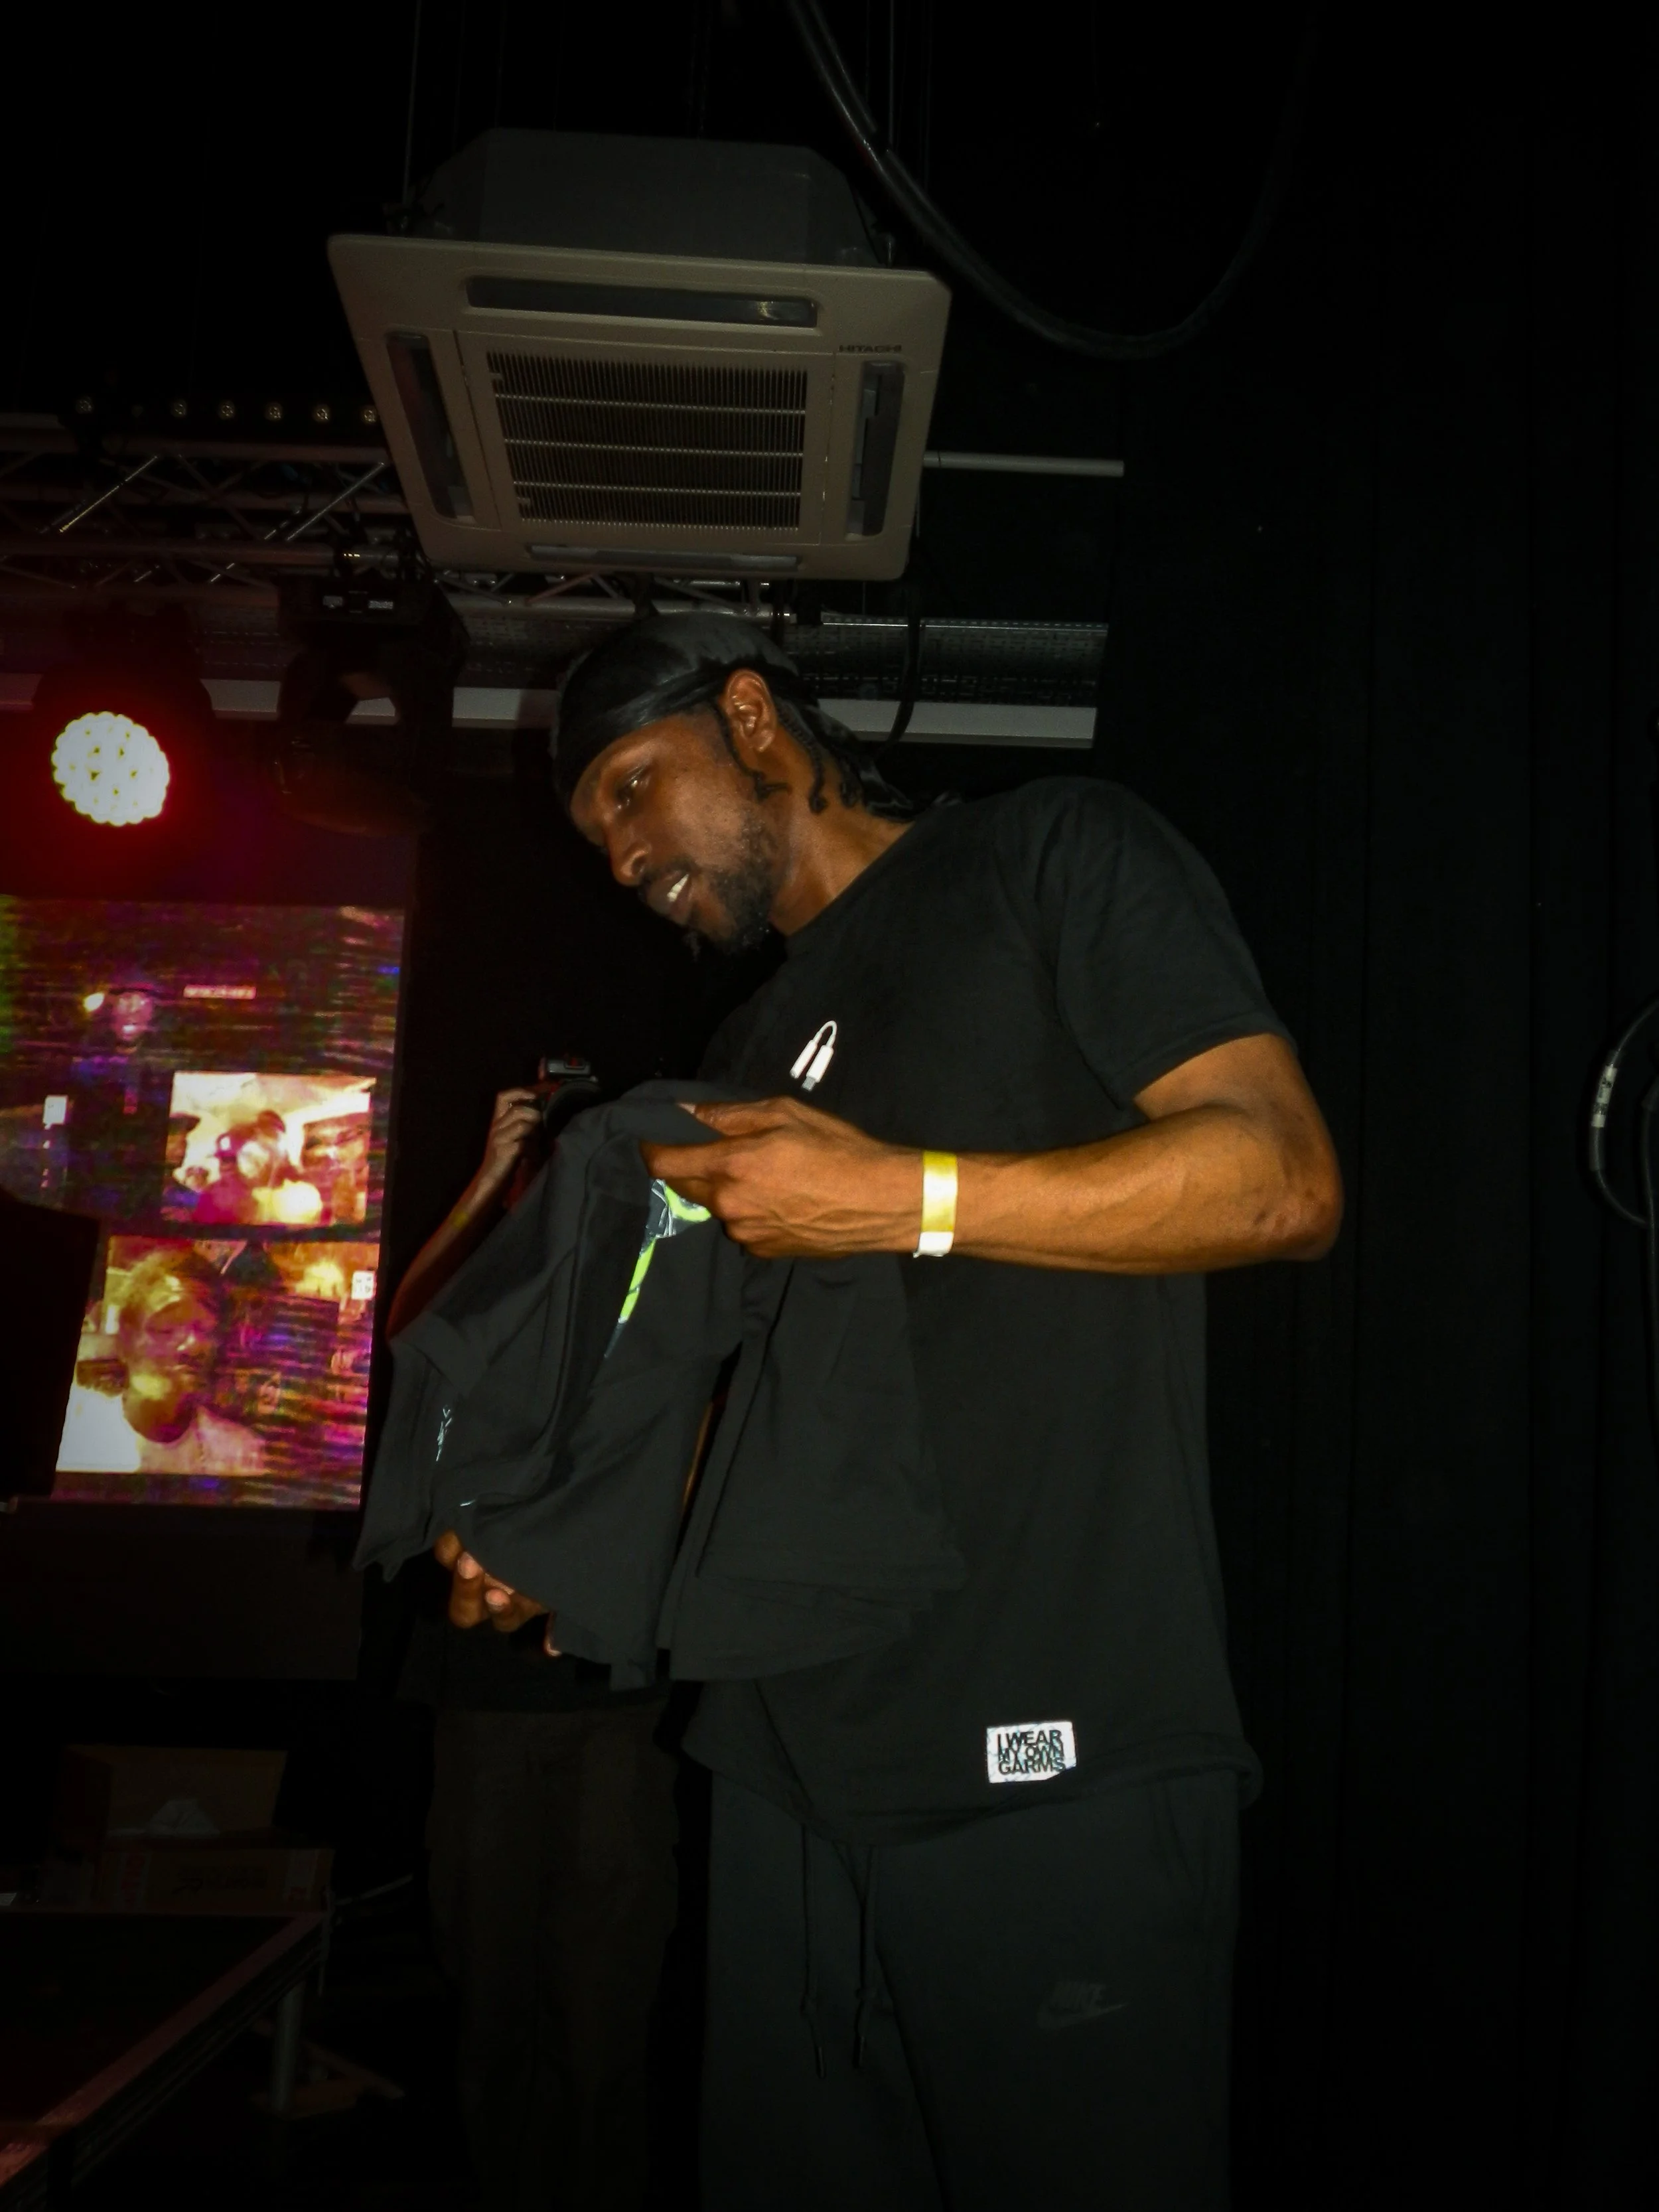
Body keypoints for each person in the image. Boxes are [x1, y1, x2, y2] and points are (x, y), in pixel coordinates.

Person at [456, 611, 1340, 2212]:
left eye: (637, 788)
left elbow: (1280, 1179)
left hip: (1045, 1766)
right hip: (783, 1777)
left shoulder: (1052, 853)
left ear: (755, 722)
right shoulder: (740, 1049)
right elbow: (766, 1421)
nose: (623, 855)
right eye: (597, 832)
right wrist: (577, 1534)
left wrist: (907, 1197)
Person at [390, 1089, 681, 2212]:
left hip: (611, 1704)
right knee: (492, 1988)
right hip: (487, 1709)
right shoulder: (487, 1302)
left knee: (604, 2002)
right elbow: (413, 1331)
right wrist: (481, 1176)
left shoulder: (647, 1296)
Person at [56, 1246, 265, 1476]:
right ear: (126, 1335)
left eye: (204, 1329)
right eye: (166, 1328)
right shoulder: (72, 1430)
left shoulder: (238, 1453)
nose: (192, 1345)